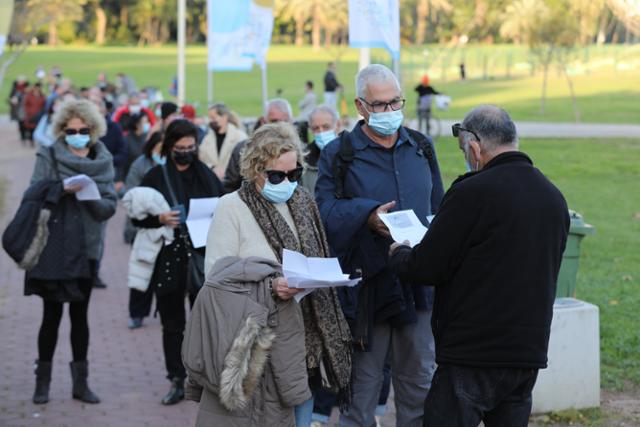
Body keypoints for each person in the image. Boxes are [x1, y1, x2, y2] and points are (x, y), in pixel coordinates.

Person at [388, 105, 570, 426]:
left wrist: (398, 253)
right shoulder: (553, 198)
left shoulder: (471, 192)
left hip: (471, 355)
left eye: (463, 150)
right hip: (526, 353)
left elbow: (427, 267)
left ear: (474, 145)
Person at [315, 64, 444, 427]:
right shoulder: (339, 154)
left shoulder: (420, 146)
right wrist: (366, 214)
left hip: (417, 283)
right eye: (380, 105)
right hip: (367, 287)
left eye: (395, 103)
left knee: (419, 384)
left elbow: (439, 207)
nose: (389, 112)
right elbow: (324, 211)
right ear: (360, 106)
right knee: (361, 393)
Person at [201, 122, 352, 426]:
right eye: (276, 175)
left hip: (305, 336)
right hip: (260, 338)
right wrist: (271, 287)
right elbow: (216, 277)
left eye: (294, 174)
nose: (287, 182)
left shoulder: (303, 201)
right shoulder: (231, 206)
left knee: (301, 411)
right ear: (255, 169)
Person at [27, 99, 117, 405]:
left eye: (83, 129)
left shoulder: (103, 160)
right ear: (62, 130)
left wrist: (90, 196)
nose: (77, 134)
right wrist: (62, 189)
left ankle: (81, 384)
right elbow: (33, 193)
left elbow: (109, 207)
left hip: (88, 248)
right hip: (54, 247)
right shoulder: (50, 154)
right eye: (71, 130)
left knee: (80, 316)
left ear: (93, 130)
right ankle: (43, 383)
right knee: (51, 315)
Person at [132, 119, 223, 405]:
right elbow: (136, 217)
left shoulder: (206, 175)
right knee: (172, 323)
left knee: (204, 322)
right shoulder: (156, 176)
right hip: (169, 258)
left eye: (191, 147)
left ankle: (202, 376)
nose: (186, 152)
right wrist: (158, 219)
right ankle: (176, 379)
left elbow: (225, 209)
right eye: (180, 148)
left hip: (201, 257)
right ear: (170, 147)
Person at [123, 132, 165, 329]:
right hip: (145, 229)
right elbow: (131, 195)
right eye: (159, 148)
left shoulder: (175, 168)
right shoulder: (140, 166)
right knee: (142, 273)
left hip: (169, 230)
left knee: (165, 275)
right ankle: (137, 313)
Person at [222, 98, 293, 193]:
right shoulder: (243, 149)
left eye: (285, 122)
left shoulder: (299, 151)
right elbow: (229, 186)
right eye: (274, 121)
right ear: (264, 121)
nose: (279, 127)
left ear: (291, 122)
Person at [199, 103, 248, 180]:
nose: (210, 121)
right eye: (209, 118)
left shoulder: (240, 137)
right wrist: (212, 168)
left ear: (224, 117)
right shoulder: (207, 139)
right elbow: (200, 160)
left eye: (213, 118)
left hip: (233, 184)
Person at [301, 105, 339, 194]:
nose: (321, 132)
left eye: (326, 127)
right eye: (316, 128)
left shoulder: (353, 152)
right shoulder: (304, 160)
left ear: (337, 125)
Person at [123, 113, 151, 179]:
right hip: (130, 176)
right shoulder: (126, 140)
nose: (148, 124)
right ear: (137, 125)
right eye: (145, 122)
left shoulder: (146, 137)